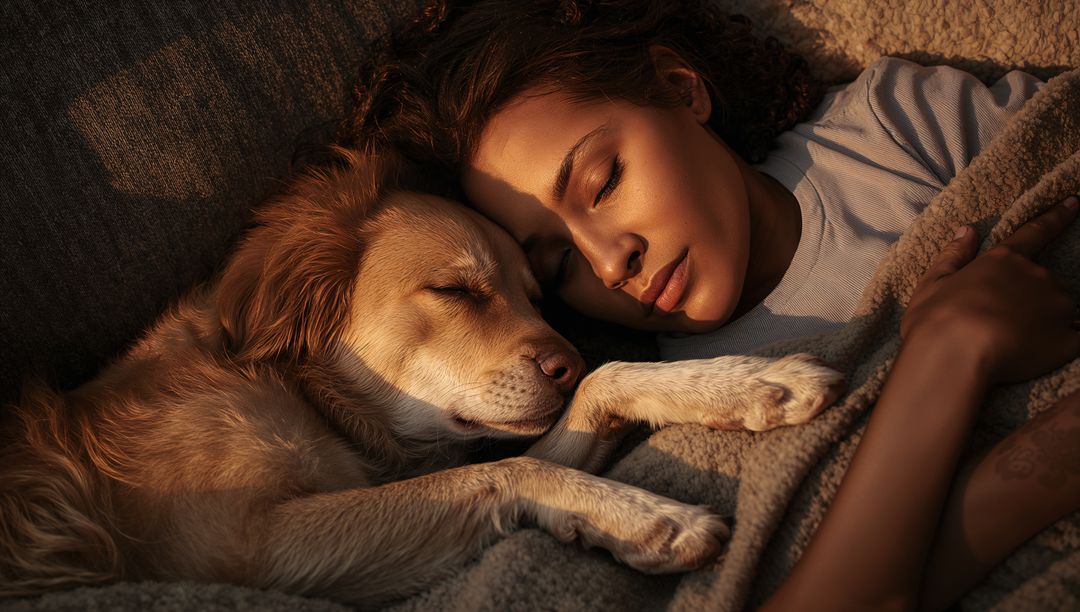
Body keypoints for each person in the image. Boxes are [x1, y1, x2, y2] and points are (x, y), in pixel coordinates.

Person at [343, 1, 1080, 609]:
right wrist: (946, 357)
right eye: (559, 262)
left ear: (680, 88)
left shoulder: (890, 129)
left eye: (601, 182)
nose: (609, 259)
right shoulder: (669, 426)